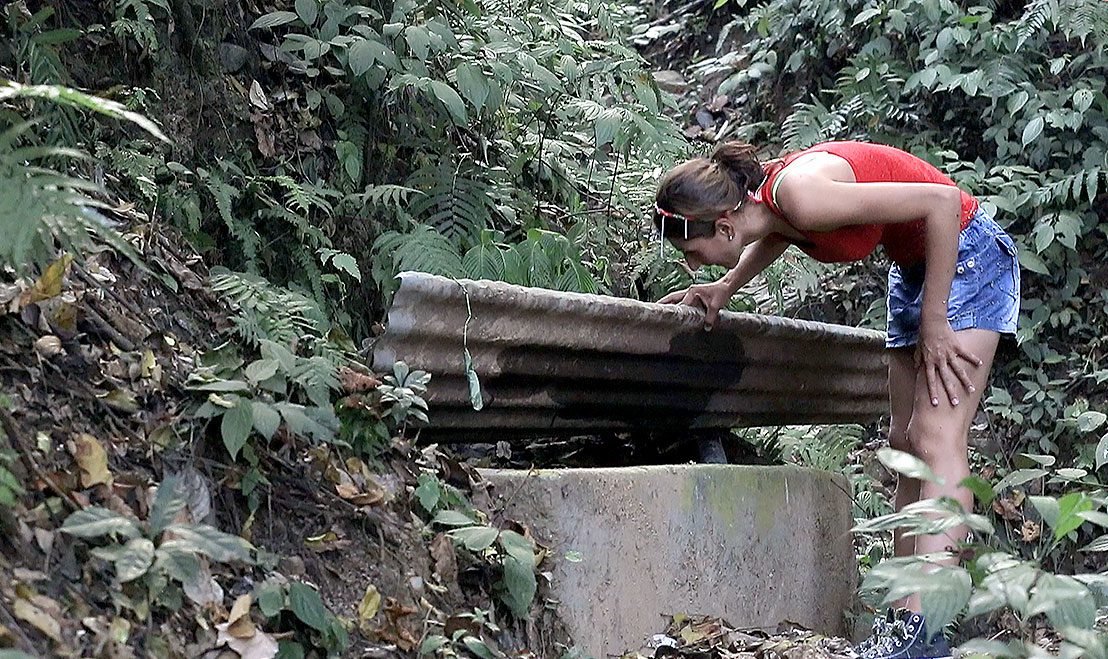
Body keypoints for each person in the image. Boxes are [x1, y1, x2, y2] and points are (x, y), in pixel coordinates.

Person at [653, 140, 1020, 659]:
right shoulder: (767, 205)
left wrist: (935, 322)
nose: (692, 267)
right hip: (917, 268)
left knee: (938, 438)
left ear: (725, 225)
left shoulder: (800, 194)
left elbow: (942, 203)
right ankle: (902, 615)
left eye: (694, 253)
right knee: (905, 444)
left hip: (967, 254)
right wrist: (726, 285)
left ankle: (926, 625)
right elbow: (777, 231)